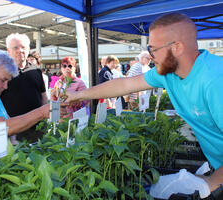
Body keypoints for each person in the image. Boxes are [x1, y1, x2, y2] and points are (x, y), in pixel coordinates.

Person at [65, 13, 223, 193]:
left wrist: (211, 183)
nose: (149, 55)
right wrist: (78, 95)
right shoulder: (168, 74)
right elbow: (124, 84)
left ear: (177, 47)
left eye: (153, 49)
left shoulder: (215, 79)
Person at [0, 33, 48, 143]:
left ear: (29, 49)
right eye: (15, 47)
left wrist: (45, 119)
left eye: (23, 47)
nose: (20, 50)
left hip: (37, 129)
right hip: (13, 132)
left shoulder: (36, 71)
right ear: (8, 51)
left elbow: (43, 96)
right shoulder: (2, 72)